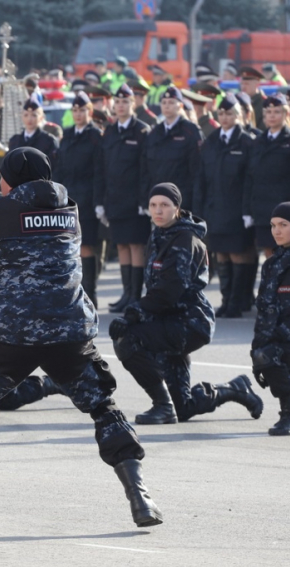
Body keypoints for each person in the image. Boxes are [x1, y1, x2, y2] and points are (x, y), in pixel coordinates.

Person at [0, 147, 162, 530]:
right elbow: (11, 205)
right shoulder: (68, 207)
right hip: (69, 330)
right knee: (102, 406)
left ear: (10, 179)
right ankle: (140, 495)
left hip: (14, 335)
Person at [110, 182, 263, 425]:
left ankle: (161, 405)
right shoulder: (159, 234)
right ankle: (235, 389)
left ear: (177, 208)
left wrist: (134, 313)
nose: (158, 210)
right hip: (168, 320)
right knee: (184, 408)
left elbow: (170, 289)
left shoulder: (185, 240)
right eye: (153, 205)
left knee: (127, 339)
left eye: (164, 205)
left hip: (188, 323)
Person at [194, 93, 257, 318]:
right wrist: (199, 210)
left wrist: (248, 210)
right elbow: (201, 179)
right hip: (216, 208)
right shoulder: (211, 141)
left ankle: (237, 301)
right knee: (221, 255)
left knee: (238, 254)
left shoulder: (247, 141)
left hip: (238, 208)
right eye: (221, 113)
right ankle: (226, 299)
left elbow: (251, 179)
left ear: (239, 116)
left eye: (229, 113)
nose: (225, 117)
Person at [97, 84, 151, 313]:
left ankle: (136, 294)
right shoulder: (109, 132)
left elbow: (146, 169)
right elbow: (102, 168)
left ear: (133, 104)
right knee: (120, 246)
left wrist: (143, 201)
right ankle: (126, 292)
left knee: (136, 245)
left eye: (125, 102)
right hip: (115, 198)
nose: (120, 106)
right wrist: (101, 201)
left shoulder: (142, 131)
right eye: (117, 102)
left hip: (135, 200)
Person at [52, 91, 103, 306]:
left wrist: (99, 200)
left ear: (89, 112)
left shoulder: (95, 136)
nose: (78, 114)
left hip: (88, 197)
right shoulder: (68, 134)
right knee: (70, 246)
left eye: (82, 110)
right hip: (69, 198)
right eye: (75, 110)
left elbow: (100, 170)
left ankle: (91, 292)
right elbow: (61, 167)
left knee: (88, 246)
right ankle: (76, 291)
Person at [251, 202, 290, 436]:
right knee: (265, 354)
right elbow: (264, 310)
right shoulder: (271, 263)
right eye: (273, 225)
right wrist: (257, 348)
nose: (276, 231)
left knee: (272, 352)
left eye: (284, 225)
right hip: (280, 337)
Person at [244, 94, 290, 258]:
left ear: (285, 114)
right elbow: (250, 177)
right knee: (269, 256)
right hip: (263, 210)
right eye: (268, 112)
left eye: (276, 111)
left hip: (285, 209)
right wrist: (247, 210)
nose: (272, 115)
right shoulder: (258, 141)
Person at [8, 99, 58, 163]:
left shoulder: (49, 140)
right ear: (21, 116)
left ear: (41, 117)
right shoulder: (14, 141)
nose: (29, 119)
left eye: (34, 115)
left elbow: (53, 166)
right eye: (26, 115)